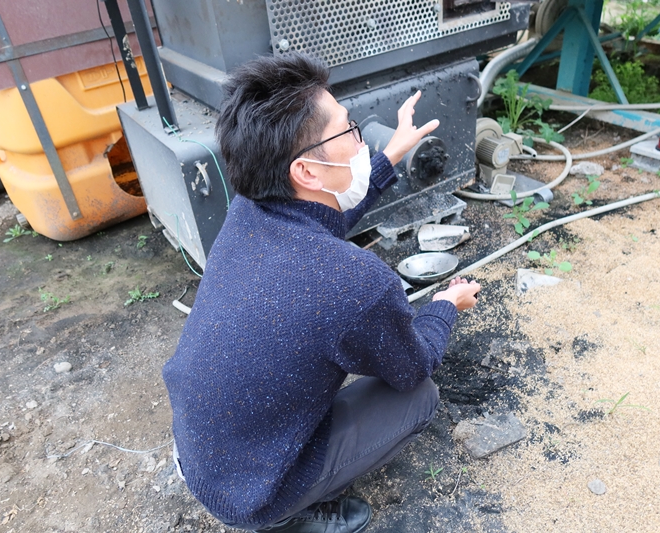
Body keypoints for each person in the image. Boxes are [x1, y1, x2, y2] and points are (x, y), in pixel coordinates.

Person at [162, 54, 480, 533]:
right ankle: (285, 517)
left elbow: (321, 218)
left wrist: (391, 155)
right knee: (418, 396)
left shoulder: (249, 210)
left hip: (200, 452)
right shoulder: (355, 283)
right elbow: (413, 365)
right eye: (349, 129)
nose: (359, 139)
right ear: (307, 172)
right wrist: (443, 307)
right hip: (249, 493)